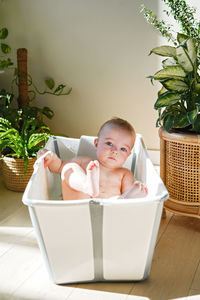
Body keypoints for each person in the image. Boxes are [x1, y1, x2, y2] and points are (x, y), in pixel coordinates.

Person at [37, 117, 148, 200]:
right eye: (109, 143)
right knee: (69, 167)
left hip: (110, 209)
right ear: (96, 144)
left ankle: (124, 201)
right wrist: (51, 157)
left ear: (128, 155)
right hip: (79, 205)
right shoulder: (85, 162)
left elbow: (128, 193)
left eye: (123, 149)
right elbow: (59, 166)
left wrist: (131, 194)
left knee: (126, 197)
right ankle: (86, 186)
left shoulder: (124, 174)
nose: (115, 151)